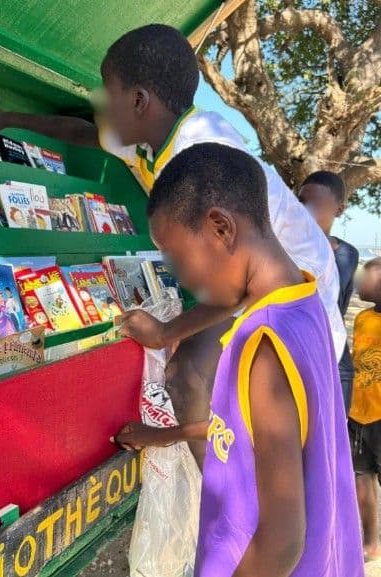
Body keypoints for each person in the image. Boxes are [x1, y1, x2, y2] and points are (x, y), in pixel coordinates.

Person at [0, 24, 344, 361]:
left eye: (109, 95)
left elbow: (240, 282)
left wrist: (165, 332)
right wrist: (7, 119)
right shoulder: (147, 136)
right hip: (257, 289)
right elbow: (80, 133)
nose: (100, 108)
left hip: (304, 304)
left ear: (140, 101)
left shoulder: (203, 156)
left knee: (195, 376)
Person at [117, 144, 363, 577]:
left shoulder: (263, 344)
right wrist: (165, 434)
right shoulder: (306, 303)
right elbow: (244, 433)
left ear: (221, 228)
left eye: (178, 259)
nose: (183, 279)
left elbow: (283, 540)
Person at [299, 171, 359, 413]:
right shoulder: (284, 252)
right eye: (301, 202)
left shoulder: (347, 255)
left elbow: (338, 308)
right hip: (295, 356)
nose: (306, 211)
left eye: (316, 204)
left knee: (335, 437)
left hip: (335, 361)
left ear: (339, 210)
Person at [348, 257, 381, 561]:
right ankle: (371, 543)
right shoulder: (363, 319)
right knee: (361, 478)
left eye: (368, 276)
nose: (360, 282)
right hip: (359, 413)